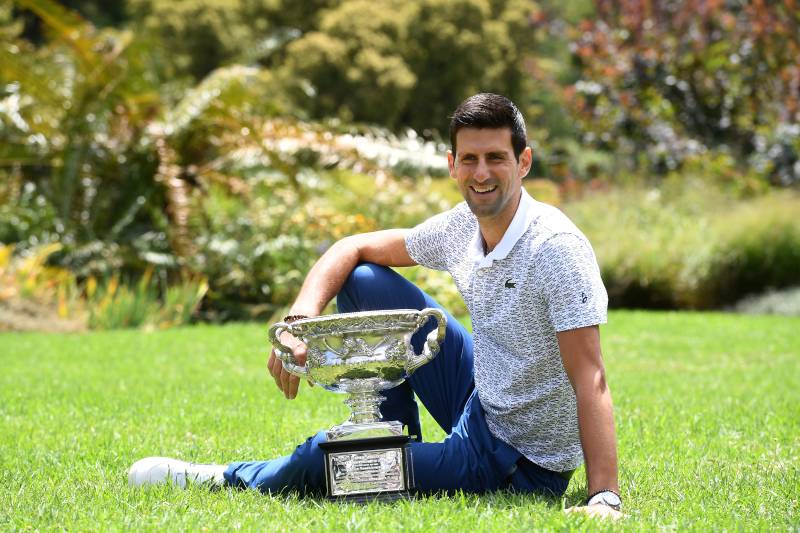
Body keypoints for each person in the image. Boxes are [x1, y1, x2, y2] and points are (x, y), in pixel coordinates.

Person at [129, 93, 622, 519]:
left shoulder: (554, 248)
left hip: (517, 459)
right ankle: (388, 449)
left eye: (496, 157)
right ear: (452, 166)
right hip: (481, 397)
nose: (482, 173)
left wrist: (604, 498)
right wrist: (300, 320)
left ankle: (223, 478)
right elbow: (352, 247)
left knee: (324, 462)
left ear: (524, 162)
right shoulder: (461, 227)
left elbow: (591, 377)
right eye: (469, 159)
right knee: (365, 279)